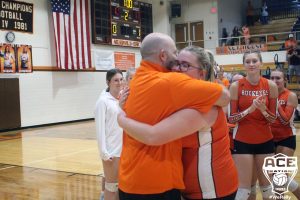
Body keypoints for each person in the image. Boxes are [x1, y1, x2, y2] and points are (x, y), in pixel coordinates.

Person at [118, 33, 230, 200]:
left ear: (202, 72)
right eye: (175, 53)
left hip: (129, 181)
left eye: (185, 64)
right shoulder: (170, 82)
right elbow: (225, 96)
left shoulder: (135, 82)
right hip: (156, 186)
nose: (177, 63)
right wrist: (121, 120)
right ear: (163, 55)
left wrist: (121, 118)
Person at [228, 50, 278, 200]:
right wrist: (250, 110)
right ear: (243, 65)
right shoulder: (236, 86)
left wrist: (263, 110)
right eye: (247, 61)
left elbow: (273, 120)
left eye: (254, 61)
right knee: (243, 190)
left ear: (261, 63)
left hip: (265, 141)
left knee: (267, 188)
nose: (251, 64)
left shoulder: (270, 86)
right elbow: (231, 119)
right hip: (243, 141)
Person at [270, 69, 300, 199]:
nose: (274, 81)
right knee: (274, 176)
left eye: (278, 78)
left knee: (280, 175)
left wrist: (275, 103)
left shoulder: (290, 95)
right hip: (269, 139)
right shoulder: (267, 95)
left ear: (285, 80)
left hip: (286, 138)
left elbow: (286, 120)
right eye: (272, 78)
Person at [94, 68, 124, 200]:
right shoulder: (103, 101)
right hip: (112, 151)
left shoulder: (121, 98)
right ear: (108, 82)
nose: (119, 82)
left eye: (121, 79)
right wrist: (103, 152)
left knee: (114, 185)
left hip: (123, 149)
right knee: (112, 187)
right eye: (115, 80)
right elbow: (99, 129)